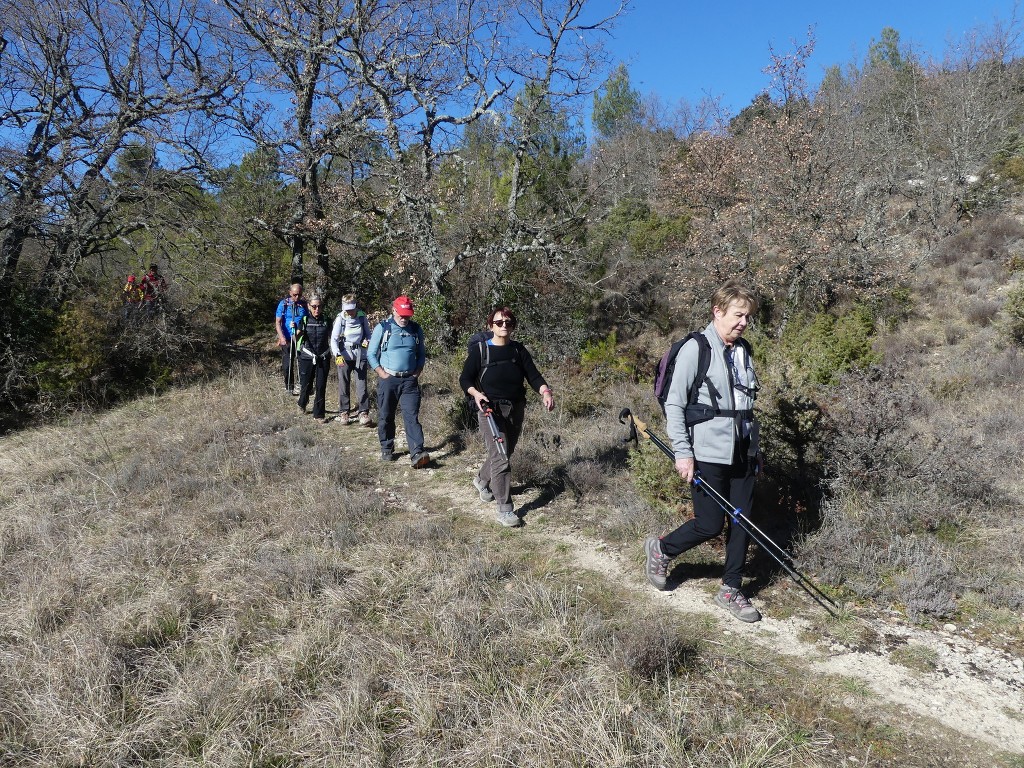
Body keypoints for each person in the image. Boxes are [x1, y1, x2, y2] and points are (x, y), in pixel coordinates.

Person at [644, 280, 763, 623]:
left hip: (743, 452)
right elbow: (675, 403)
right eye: (739, 315)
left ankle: (731, 588)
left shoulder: (744, 351)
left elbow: (747, 405)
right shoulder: (696, 349)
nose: (744, 322)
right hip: (707, 452)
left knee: (743, 522)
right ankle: (662, 549)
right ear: (718, 311)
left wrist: (755, 450)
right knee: (710, 524)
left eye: (748, 317)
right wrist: (683, 452)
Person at [460, 307, 554, 527]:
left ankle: (482, 480)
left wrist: (545, 391)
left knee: (506, 450)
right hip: (489, 410)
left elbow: (533, 375)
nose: (504, 326)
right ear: (490, 325)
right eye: (499, 322)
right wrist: (475, 394)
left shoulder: (518, 351)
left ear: (513, 326)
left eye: (508, 322)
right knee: (501, 458)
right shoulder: (480, 351)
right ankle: (505, 509)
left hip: (515, 408)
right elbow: (465, 379)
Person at [366, 295, 430, 467]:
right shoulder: (383, 328)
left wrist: (417, 371)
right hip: (389, 379)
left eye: (407, 314)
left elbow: (421, 353)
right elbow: (371, 354)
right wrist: (381, 372)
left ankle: (417, 452)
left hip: (409, 380)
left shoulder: (416, 329)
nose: (404, 318)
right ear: (393, 310)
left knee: (412, 416)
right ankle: (387, 447)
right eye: (401, 314)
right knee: (386, 415)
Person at [330, 293, 372, 426]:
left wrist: (367, 341)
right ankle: (344, 412)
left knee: (361, 385)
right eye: (347, 308)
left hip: (360, 355)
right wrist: (337, 355)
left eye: (352, 308)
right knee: (344, 384)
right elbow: (334, 339)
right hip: (343, 356)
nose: (350, 311)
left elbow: (368, 334)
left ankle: (363, 412)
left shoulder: (361, 317)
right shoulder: (340, 319)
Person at [295, 296, 333, 422]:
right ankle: (302, 403)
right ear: (309, 307)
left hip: (323, 356)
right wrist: (294, 329)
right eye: (314, 306)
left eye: (319, 306)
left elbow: (334, 336)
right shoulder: (304, 320)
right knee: (306, 384)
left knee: (321, 385)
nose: (317, 309)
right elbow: (296, 337)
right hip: (307, 356)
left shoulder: (327, 320)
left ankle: (319, 414)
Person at [275, 283, 307, 394]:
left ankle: (304, 386)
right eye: (294, 295)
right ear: (290, 293)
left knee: (302, 363)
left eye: (299, 295)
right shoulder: (283, 304)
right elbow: (278, 323)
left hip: (300, 338)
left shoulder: (304, 305)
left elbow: (307, 321)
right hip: (287, 339)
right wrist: (281, 337)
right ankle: (289, 387)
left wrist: (300, 330)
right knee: (287, 364)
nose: (296, 297)